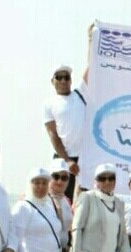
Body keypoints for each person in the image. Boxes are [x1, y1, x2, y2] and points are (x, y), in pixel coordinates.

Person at [43, 64, 87, 202]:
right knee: (60, 199)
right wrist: (67, 160)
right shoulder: (49, 104)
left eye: (66, 78)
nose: (63, 81)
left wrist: (93, 42)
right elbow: (53, 135)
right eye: (59, 77)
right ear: (53, 81)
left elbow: (91, 67)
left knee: (84, 200)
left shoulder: (81, 94)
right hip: (63, 159)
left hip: (85, 158)